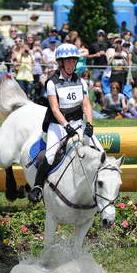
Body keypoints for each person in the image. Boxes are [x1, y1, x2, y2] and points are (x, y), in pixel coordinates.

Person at [28, 43, 103, 203]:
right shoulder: (52, 82)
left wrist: (89, 124)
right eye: (68, 61)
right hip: (58, 124)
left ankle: (101, 189)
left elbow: (86, 104)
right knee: (49, 156)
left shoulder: (81, 82)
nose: (71, 64)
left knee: (100, 151)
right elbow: (55, 109)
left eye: (73, 61)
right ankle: (38, 187)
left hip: (77, 122)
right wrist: (66, 126)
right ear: (61, 63)